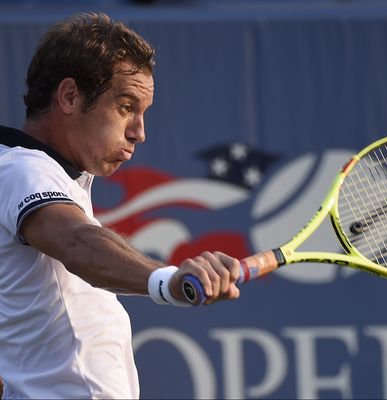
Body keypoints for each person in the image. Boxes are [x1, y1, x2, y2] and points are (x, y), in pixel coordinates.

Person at [0, 12, 241, 399]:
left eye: (142, 113)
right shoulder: (22, 170)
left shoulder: (45, 175)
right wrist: (168, 280)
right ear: (69, 96)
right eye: (126, 107)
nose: (139, 132)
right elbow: (79, 243)